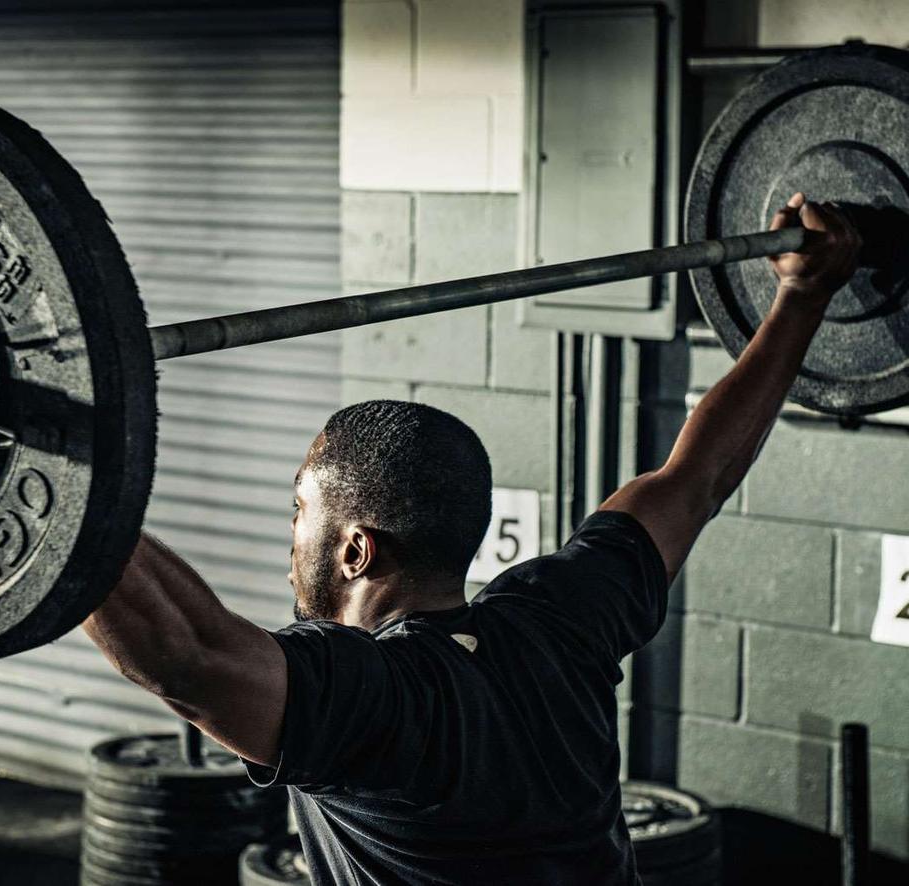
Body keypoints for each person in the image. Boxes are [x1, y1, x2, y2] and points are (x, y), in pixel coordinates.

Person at [83, 193, 860, 885]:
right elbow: (698, 478)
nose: (289, 538)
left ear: (355, 550)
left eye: (299, 513)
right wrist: (802, 295)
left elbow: (185, 655)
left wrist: (59, 446)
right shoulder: (557, 619)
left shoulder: (379, 700)